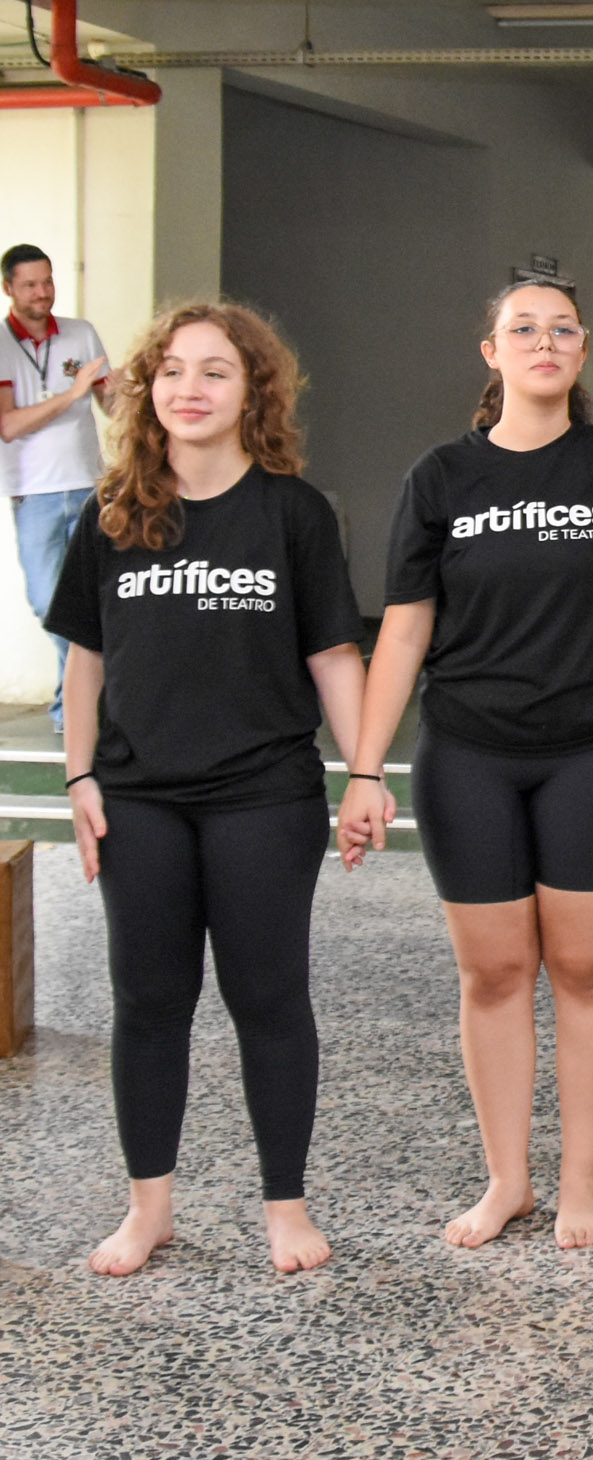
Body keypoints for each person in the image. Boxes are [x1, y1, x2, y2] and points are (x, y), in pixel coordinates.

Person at [336, 279, 593, 1251]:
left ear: (582, 349)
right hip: (468, 758)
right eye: (522, 328)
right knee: (492, 972)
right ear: (491, 352)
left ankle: (578, 1185)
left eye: (561, 328)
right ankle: (507, 1182)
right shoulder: (441, 477)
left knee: (587, 965)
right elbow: (403, 631)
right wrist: (364, 769)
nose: (544, 341)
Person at [44, 301, 364, 1276]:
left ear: (253, 391)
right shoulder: (112, 513)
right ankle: (149, 1210)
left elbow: (333, 655)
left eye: (215, 371)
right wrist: (79, 775)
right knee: (149, 1002)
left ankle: (286, 1209)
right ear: (149, 392)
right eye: (173, 371)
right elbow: (86, 660)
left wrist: (363, 773)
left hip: (263, 794)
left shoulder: (295, 514)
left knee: (268, 998)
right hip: (138, 799)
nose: (190, 388)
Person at [2, 243, 115, 730]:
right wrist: (73, 394)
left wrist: (134, 388)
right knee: (48, 601)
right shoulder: (1, 344)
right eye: (30, 284)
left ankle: (72, 707)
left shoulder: (80, 333)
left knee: (96, 600)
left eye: (47, 281)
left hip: (90, 487)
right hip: (34, 494)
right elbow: (9, 425)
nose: (42, 292)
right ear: (8, 288)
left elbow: (111, 404)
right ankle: (85, 697)